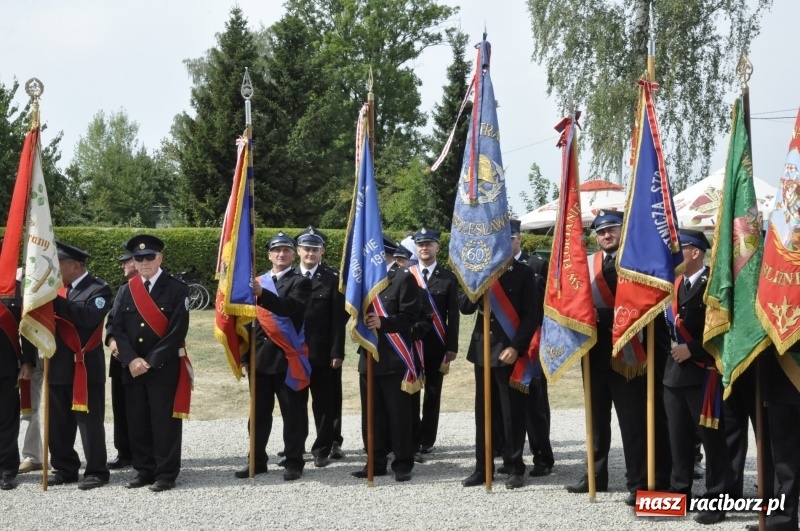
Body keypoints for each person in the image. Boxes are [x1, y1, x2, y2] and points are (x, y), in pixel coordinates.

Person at [565, 210, 671, 503]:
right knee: (596, 421)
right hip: (595, 354)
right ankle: (596, 476)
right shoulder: (587, 265)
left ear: (623, 231)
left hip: (629, 354)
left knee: (633, 422)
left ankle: (638, 482)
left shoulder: (638, 262)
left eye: (612, 229)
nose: (606, 235)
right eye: (600, 232)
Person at [111, 234, 190, 492]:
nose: (144, 262)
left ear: (160, 258)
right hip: (132, 369)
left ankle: (166, 473)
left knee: (163, 422)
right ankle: (144, 470)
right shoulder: (126, 290)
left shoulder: (177, 289)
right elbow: (117, 328)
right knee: (137, 421)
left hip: (163, 368)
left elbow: (177, 332)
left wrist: (150, 361)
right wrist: (132, 359)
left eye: (149, 257)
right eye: (138, 258)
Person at [663, 229, 730, 525]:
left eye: (681, 249)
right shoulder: (674, 284)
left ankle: (717, 499)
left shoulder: (712, 283)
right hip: (674, 375)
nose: (676, 254)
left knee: (712, 441)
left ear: (695, 252)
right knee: (678, 439)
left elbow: (723, 326)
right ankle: (680, 494)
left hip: (703, 372)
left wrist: (692, 349)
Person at [235, 232, 312, 481]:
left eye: (286, 250)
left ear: (293, 255)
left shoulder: (300, 282)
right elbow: (246, 321)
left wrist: (261, 294)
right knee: (257, 415)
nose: (281, 254)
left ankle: (293, 462)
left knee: (293, 414)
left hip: (287, 358)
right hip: (259, 360)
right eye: (276, 250)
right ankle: (256, 461)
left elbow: (289, 308)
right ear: (269, 255)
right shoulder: (257, 281)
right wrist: (243, 353)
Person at [460, 256, 540, 490]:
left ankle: (514, 467)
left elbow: (531, 315)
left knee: (511, 413)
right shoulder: (478, 270)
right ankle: (482, 468)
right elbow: (464, 307)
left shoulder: (523, 273)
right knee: (483, 413)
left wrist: (516, 347)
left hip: (509, 352)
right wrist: (476, 285)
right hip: (482, 352)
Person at [351, 238, 420, 482]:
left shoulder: (403, 278)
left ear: (385, 255)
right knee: (371, 413)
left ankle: (402, 463)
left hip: (394, 357)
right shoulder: (364, 281)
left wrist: (384, 323)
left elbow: (411, 317)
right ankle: (375, 460)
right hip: (369, 355)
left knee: (398, 414)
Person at [49, 241, 113, 490]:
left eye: (59, 265)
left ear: (75, 266)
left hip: (84, 367)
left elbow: (85, 319)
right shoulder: (58, 290)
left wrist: (53, 298)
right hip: (57, 366)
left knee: (89, 423)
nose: (55, 270)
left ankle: (96, 471)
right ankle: (65, 468)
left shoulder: (98, 290)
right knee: (58, 422)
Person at [293, 227, 346, 468]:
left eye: (315, 249)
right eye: (306, 249)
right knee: (295, 403)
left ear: (322, 251)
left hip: (322, 352)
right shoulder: (288, 276)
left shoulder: (333, 279)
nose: (310, 253)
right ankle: (295, 446)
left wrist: (337, 352)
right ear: (298, 251)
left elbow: (338, 320)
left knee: (323, 403)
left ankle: (322, 448)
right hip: (292, 352)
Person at [408, 228, 459, 455]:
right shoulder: (407, 275)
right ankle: (410, 435)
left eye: (429, 244)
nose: (424, 248)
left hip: (436, 345)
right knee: (410, 392)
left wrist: (451, 347)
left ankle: (427, 439)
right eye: (420, 244)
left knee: (432, 394)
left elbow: (454, 316)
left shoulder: (448, 278)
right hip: (410, 344)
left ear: (438, 247)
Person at [511, 219, 554, 477]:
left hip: (532, 345)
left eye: (512, 237)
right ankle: (509, 457)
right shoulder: (494, 268)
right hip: (506, 347)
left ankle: (542, 458)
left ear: (520, 239)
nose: (508, 241)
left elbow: (547, 304)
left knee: (535, 407)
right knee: (508, 407)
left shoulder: (536, 265)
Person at [0, 248, 37, 490]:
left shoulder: (15, 286)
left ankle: (6, 469)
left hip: (5, 366)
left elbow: (29, 326)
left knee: (6, 420)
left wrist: (28, 360)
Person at [104, 245, 137, 470]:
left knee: (139, 410)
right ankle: (124, 452)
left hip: (141, 360)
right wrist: (111, 340)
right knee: (121, 408)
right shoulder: (124, 289)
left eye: (125, 261)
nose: (122, 266)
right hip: (120, 361)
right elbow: (111, 322)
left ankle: (141, 452)